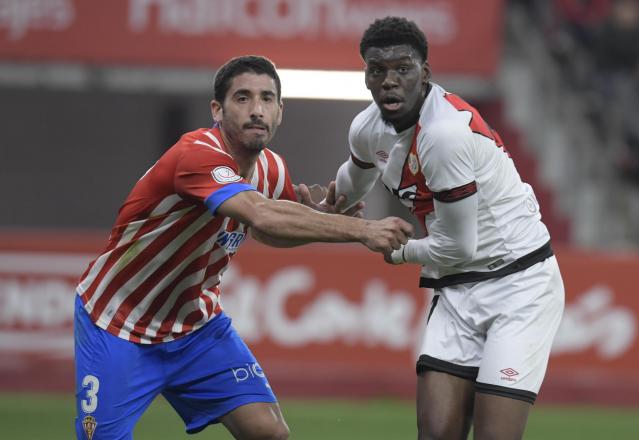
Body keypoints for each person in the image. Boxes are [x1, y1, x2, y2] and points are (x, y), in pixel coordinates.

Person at [73, 55, 413, 440]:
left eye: (267, 99)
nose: (257, 110)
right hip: (117, 322)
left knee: (270, 433)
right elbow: (264, 216)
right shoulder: (197, 155)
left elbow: (267, 233)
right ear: (217, 109)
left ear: (280, 111)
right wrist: (360, 229)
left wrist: (318, 218)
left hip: (195, 328)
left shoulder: (272, 168)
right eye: (243, 98)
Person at [323, 17, 565, 440]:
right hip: (455, 287)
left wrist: (395, 249)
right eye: (378, 71)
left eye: (403, 69)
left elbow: (458, 246)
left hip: (520, 284)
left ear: (426, 74)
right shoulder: (367, 128)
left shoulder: (444, 135)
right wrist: (325, 207)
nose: (390, 82)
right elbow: (353, 179)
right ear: (365, 76)